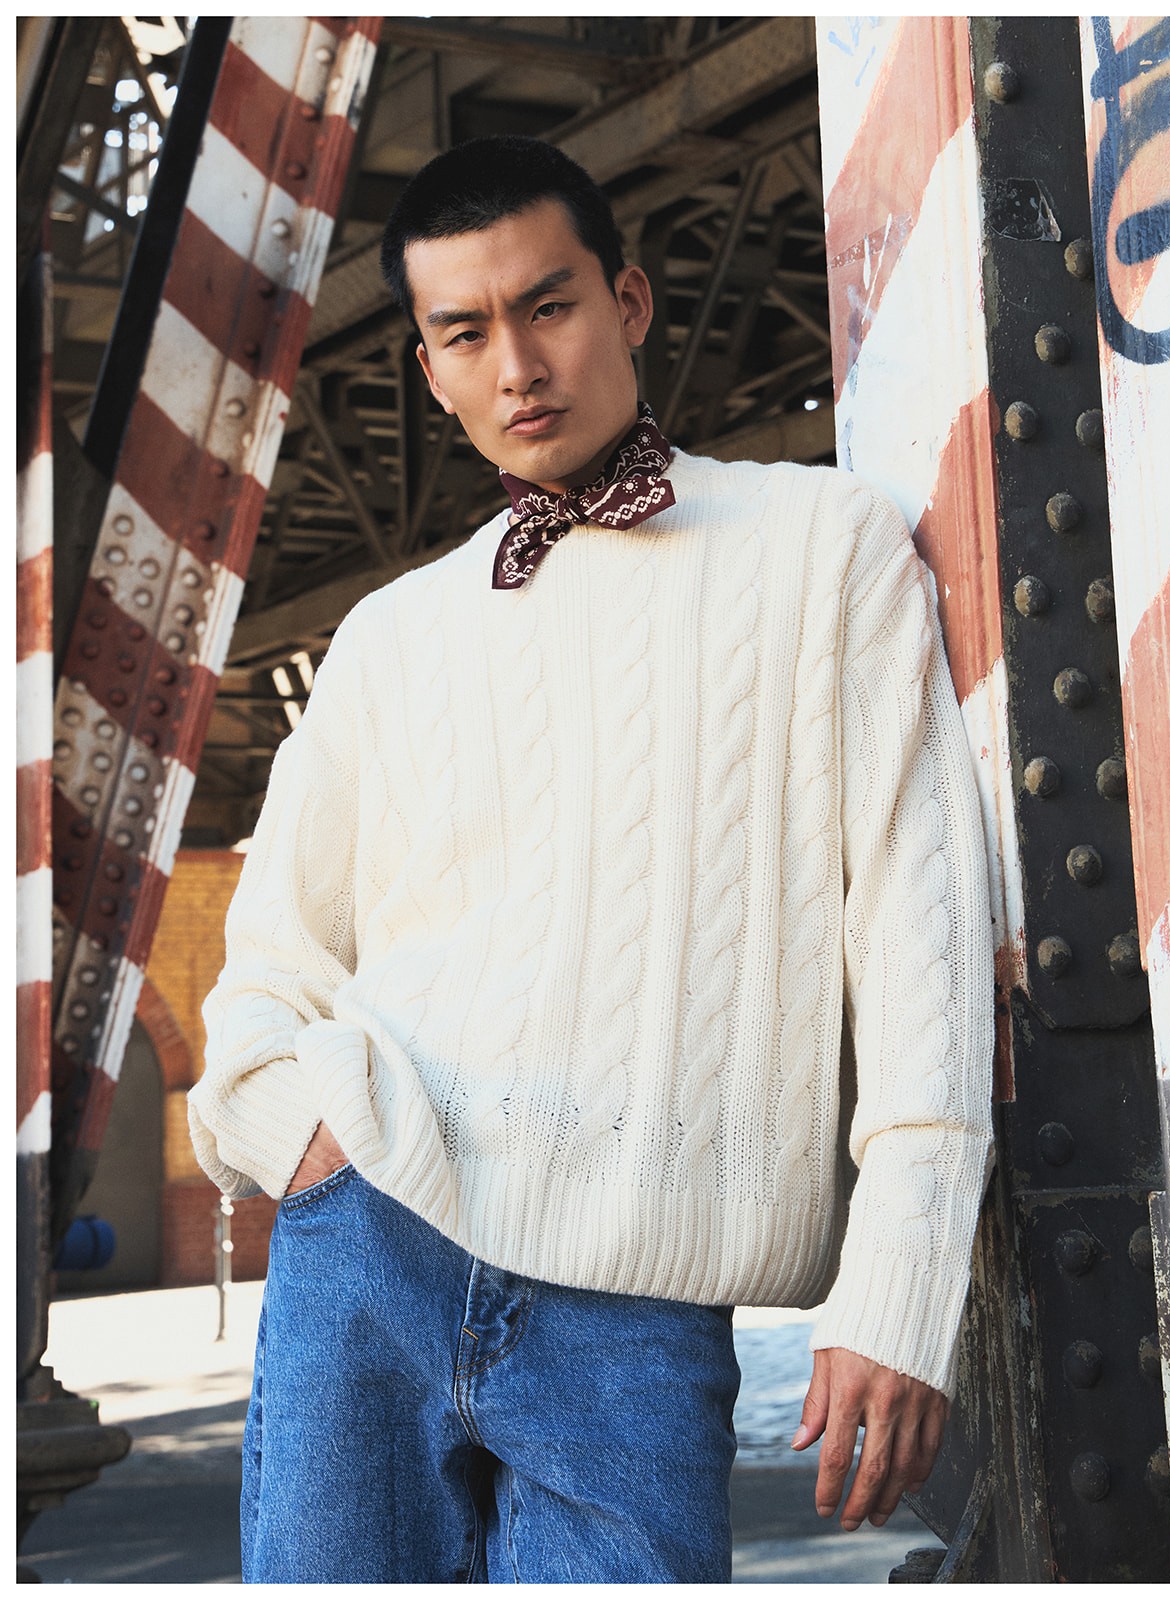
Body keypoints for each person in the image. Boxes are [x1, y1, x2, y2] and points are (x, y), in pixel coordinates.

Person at [188, 134, 994, 1584]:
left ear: (627, 300)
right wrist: (305, 1146)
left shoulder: (826, 549)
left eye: (548, 305)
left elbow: (917, 937)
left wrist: (900, 1284)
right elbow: (267, 978)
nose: (517, 367)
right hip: (369, 1247)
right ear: (430, 370)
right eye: (465, 333)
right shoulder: (388, 639)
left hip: (637, 1300)